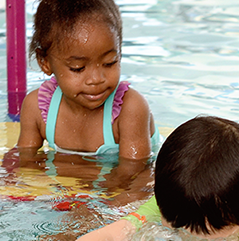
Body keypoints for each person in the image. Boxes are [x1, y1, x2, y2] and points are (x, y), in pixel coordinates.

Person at [57, 116, 239, 241]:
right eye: (178, 228)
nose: (190, 237)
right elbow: (111, 235)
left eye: (207, 233)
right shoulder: (176, 202)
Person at [17, 0, 160, 162]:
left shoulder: (130, 108)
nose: (96, 79)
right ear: (45, 62)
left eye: (109, 62)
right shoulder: (36, 108)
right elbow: (25, 162)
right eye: (78, 68)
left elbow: (135, 174)